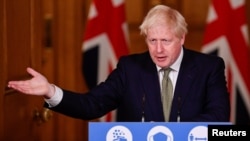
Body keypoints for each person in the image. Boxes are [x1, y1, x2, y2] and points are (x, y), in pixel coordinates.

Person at [8, 4, 230, 122]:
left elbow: (218, 117)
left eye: (166, 41)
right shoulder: (130, 68)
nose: (159, 49)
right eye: (152, 41)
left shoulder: (209, 67)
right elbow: (91, 105)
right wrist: (50, 91)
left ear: (181, 39)